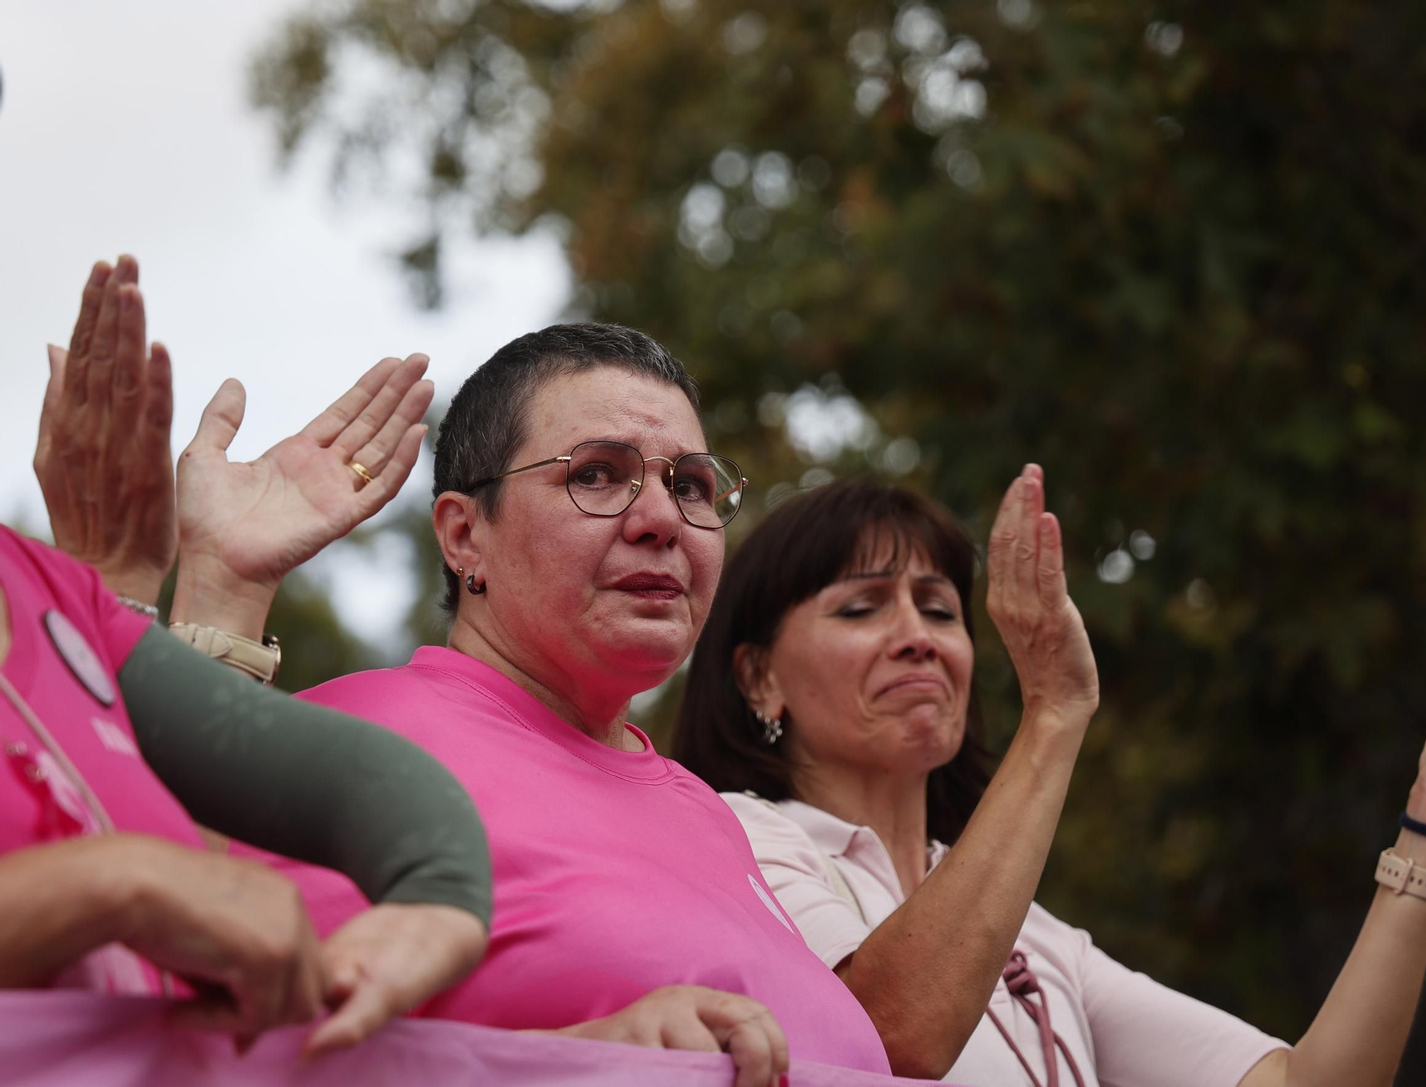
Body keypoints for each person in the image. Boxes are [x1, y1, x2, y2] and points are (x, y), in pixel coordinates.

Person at [59, 305, 890, 1085]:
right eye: (598, 475)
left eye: (694, 485)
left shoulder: (705, 810)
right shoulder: (366, 736)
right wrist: (579, 1057)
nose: (661, 517)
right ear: (465, 536)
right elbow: (205, 1044)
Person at [673, 474, 1426, 1086]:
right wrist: (1059, 712)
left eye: (942, 607)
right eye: (862, 605)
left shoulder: (1035, 939)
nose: (918, 633)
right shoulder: (735, 840)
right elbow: (895, 1033)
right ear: (758, 674)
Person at [12, 256, 494, 1055]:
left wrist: (432, 909)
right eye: (594, 475)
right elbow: (154, 874)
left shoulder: (28, 588)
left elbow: (398, 806)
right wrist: (114, 883)